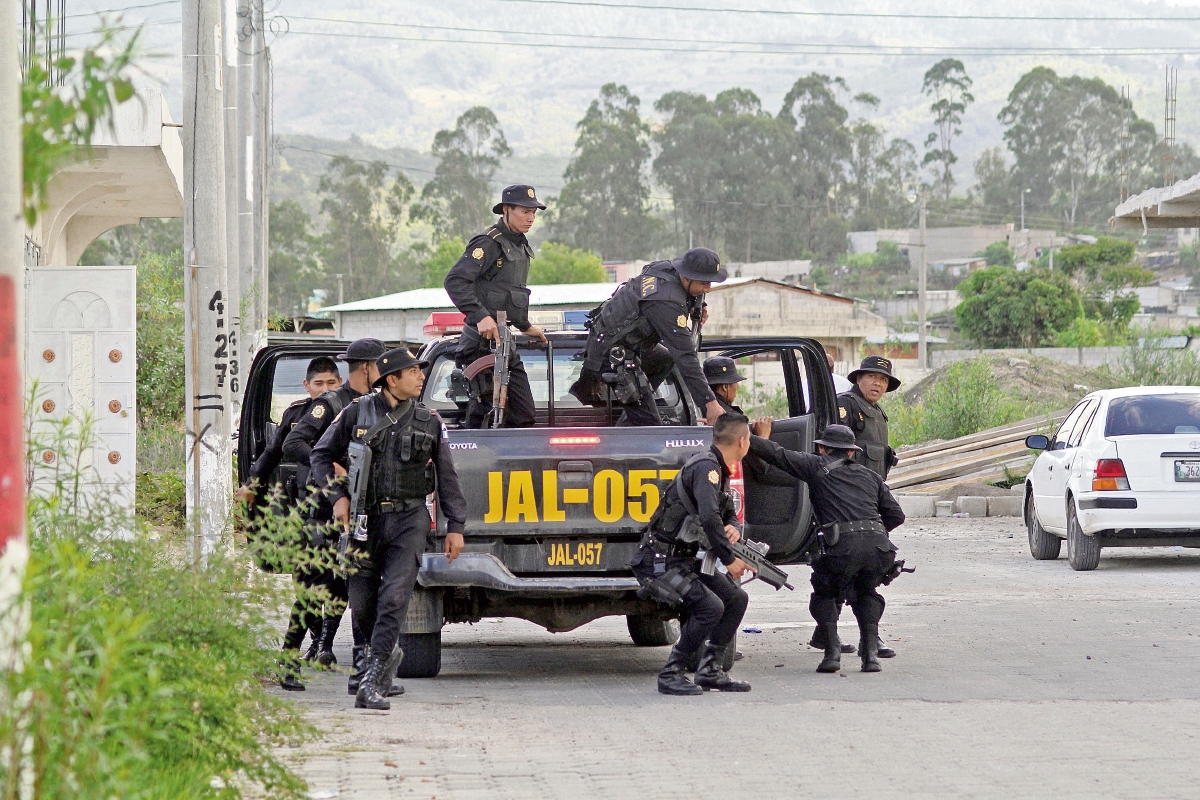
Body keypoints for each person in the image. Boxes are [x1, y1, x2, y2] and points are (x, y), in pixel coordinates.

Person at [310, 348, 468, 710]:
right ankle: (374, 661)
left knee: (394, 598)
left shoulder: (430, 420)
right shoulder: (356, 412)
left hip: (408, 520)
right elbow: (320, 454)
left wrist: (455, 526)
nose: (421, 376)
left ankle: (373, 677)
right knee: (362, 603)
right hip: (365, 519)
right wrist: (337, 498)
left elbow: (447, 476)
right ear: (390, 380)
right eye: (413, 371)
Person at [748, 420, 905, 673]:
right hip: (880, 549)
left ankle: (832, 652)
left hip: (840, 549)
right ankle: (871, 656)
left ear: (822, 449)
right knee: (866, 592)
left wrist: (740, 432)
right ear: (852, 452)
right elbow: (897, 516)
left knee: (825, 594)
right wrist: (871, 534)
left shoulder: (814, 465)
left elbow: (776, 455)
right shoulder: (871, 476)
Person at [282, 337, 386, 691]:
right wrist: (332, 464)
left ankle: (341, 656)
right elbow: (292, 443)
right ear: (368, 368)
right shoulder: (330, 404)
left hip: (358, 513)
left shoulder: (378, 404)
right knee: (312, 589)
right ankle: (288, 662)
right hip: (323, 508)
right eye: (383, 365)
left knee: (349, 588)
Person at [235, 356, 341, 691]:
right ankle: (313, 644)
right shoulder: (295, 414)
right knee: (305, 580)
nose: (325, 389)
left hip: (340, 504)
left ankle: (323, 644)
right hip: (304, 506)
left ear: (340, 382)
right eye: (319, 384)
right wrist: (252, 484)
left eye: (331, 383)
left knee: (338, 580)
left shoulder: (349, 410)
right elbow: (271, 452)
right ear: (307, 386)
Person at [632, 413, 755, 695]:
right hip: (660, 562)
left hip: (684, 560)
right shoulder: (706, 468)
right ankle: (671, 673)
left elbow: (725, 515)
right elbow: (710, 518)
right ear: (742, 441)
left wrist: (734, 528)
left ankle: (710, 670)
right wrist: (730, 559)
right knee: (710, 607)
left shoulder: (719, 470)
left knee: (736, 598)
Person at [571, 248, 727, 426]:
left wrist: (693, 304)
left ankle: (636, 404)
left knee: (665, 359)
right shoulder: (666, 304)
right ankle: (633, 412)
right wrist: (710, 403)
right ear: (686, 276)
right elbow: (686, 357)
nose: (708, 288)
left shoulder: (664, 269)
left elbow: (670, 285)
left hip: (620, 342)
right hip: (611, 354)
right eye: (704, 283)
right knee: (649, 426)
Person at [444, 184, 549, 429]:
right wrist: (480, 316)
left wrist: (526, 326)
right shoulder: (489, 243)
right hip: (479, 343)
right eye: (525, 211)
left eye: (534, 212)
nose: (531, 218)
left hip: (504, 340)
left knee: (523, 415)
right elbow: (455, 281)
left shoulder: (519, 244)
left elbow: (510, 296)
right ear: (506, 210)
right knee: (482, 413)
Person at [837, 355, 901, 479]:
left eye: (884, 379)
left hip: (872, 488)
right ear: (859, 379)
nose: (878, 383)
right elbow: (836, 452)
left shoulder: (879, 412)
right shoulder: (846, 403)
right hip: (851, 486)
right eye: (871, 376)